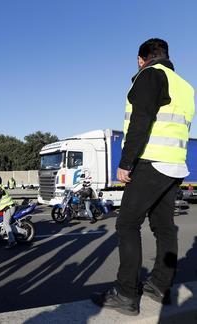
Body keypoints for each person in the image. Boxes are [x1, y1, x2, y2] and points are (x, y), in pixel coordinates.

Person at [92, 38, 195, 316]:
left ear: (142, 58)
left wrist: (126, 162)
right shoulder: (185, 86)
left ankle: (125, 294)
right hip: (175, 165)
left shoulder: (150, 75)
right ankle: (159, 286)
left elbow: (141, 119)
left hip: (150, 162)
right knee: (164, 227)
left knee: (126, 224)